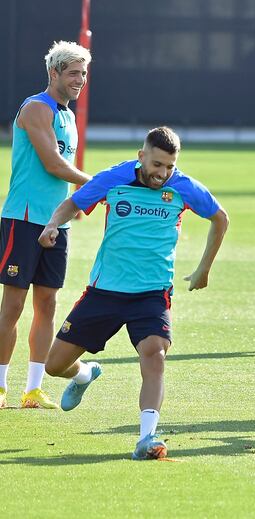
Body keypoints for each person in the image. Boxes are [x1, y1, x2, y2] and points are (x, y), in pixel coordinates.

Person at [40, 127, 229, 460]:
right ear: (141, 156)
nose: (163, 174)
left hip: (151, 294)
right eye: (157, 164)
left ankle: (147, 437)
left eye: (170, 166)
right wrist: (53, 224)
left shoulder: (182, 187)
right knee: (54, 366)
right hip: (104, 292)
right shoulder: (114, 179)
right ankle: (85, 374)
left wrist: (204, 269)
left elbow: (220, 218)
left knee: (154, 354)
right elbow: (72, 203)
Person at [0, 41, 93, 410]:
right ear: (53, 72)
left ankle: (33, 389)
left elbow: (63, 172)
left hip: (57, 224)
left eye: (83, 73)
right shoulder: (36, 108)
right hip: (23, 219)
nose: (80, 80)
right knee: (13, 306)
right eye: (73, 72)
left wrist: (76, 204)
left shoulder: (67, 115)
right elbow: (53, 164)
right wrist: (96, 185)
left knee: (48, 303)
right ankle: (1, 385)